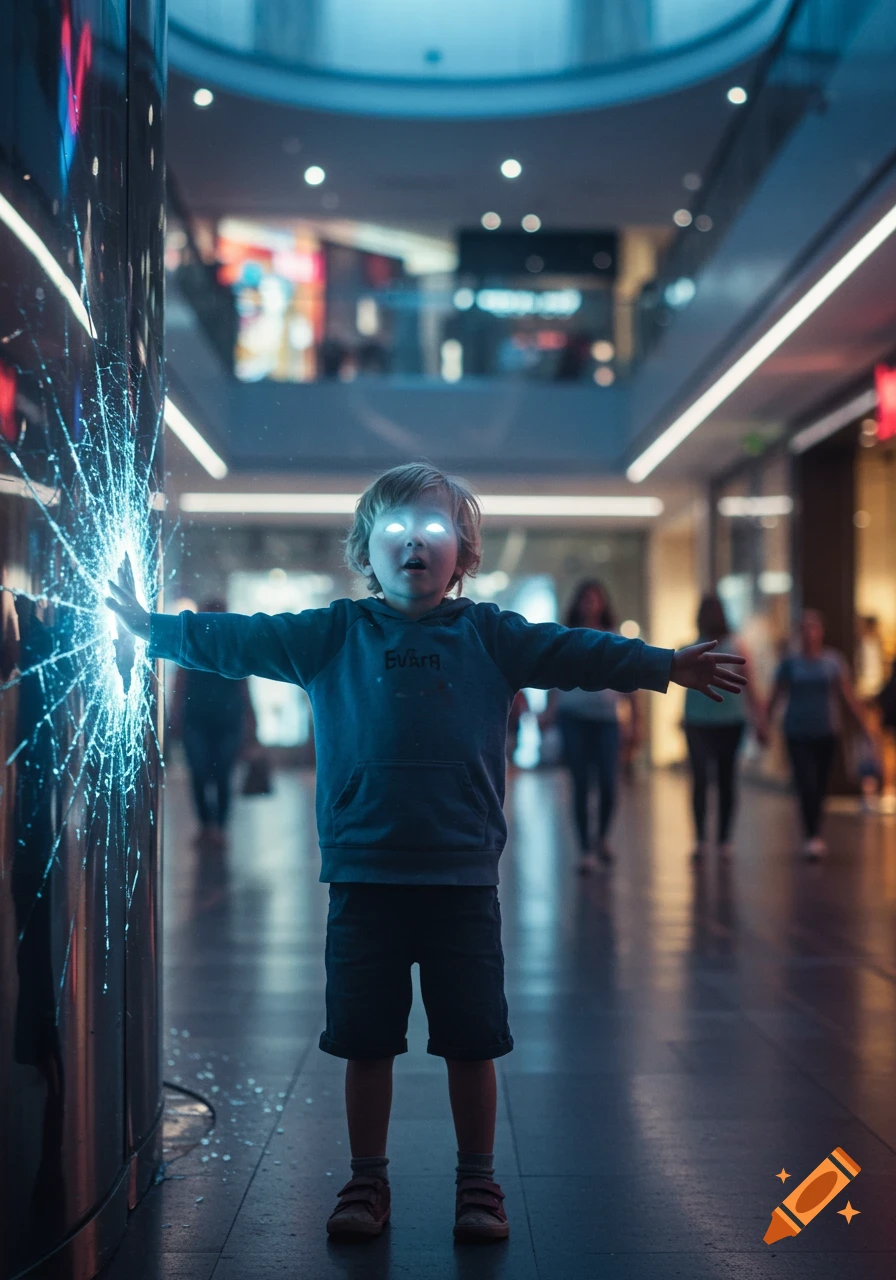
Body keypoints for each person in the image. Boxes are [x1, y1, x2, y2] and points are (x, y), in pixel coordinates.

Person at [106, 462, 745, 1245]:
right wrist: (151, 628)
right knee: (365, 1042)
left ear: (464, 553)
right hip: (364, 880)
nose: (415, 544)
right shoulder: (333, 634)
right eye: (396, 531)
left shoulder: (490, 635)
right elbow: (237, 639)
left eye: (435, 531)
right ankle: (365, 1181)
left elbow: (574, 652)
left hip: (460, 881)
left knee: (472, 1042)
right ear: (365, 550)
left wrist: (663, 665)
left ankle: (478, 1180)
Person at [541, 580, 638, 871]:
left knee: (609, 784)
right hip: (573, 718)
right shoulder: (566, 637)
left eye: (595, 599)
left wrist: (635, 719)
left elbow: (629, 680)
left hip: (606, 719)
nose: (590, 604)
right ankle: (585, 849)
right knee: (581, 784)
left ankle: (602, 837)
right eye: (585, 599)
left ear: (603, 603)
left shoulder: (613, 638)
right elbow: (554, 677)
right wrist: (548, 712)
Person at [766, 609, 868, 860]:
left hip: (826, 731)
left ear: (821, 632)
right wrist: (763, 724)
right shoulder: (789, 663)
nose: (810, 633)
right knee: (806, 783)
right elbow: (776, 695)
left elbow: (846, 695)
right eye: (805, 627)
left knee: (821, 786)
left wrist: (865, 725)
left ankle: (816, 831)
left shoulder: (833, 661)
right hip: (797, 731)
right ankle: (811, 836)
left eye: (814, 627)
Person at [683, 593, 767, 861]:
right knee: (700, 780)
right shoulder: (691, 647)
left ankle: (723, 839)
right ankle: (701, 839)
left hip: (730, 720)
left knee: (725, 780)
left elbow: (750, 685)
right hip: (697, 721)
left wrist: (759, 720)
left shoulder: (736, 646)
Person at [169, 597, 257, 847]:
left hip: (224, 720)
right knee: (200, 773)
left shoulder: (232, 646)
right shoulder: (192, 644)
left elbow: (243, 687)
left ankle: (217, 827)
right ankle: (208, 826)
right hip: (198, 719)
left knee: (220, 775)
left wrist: (251, 721)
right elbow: (181, 682)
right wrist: (175, 717)